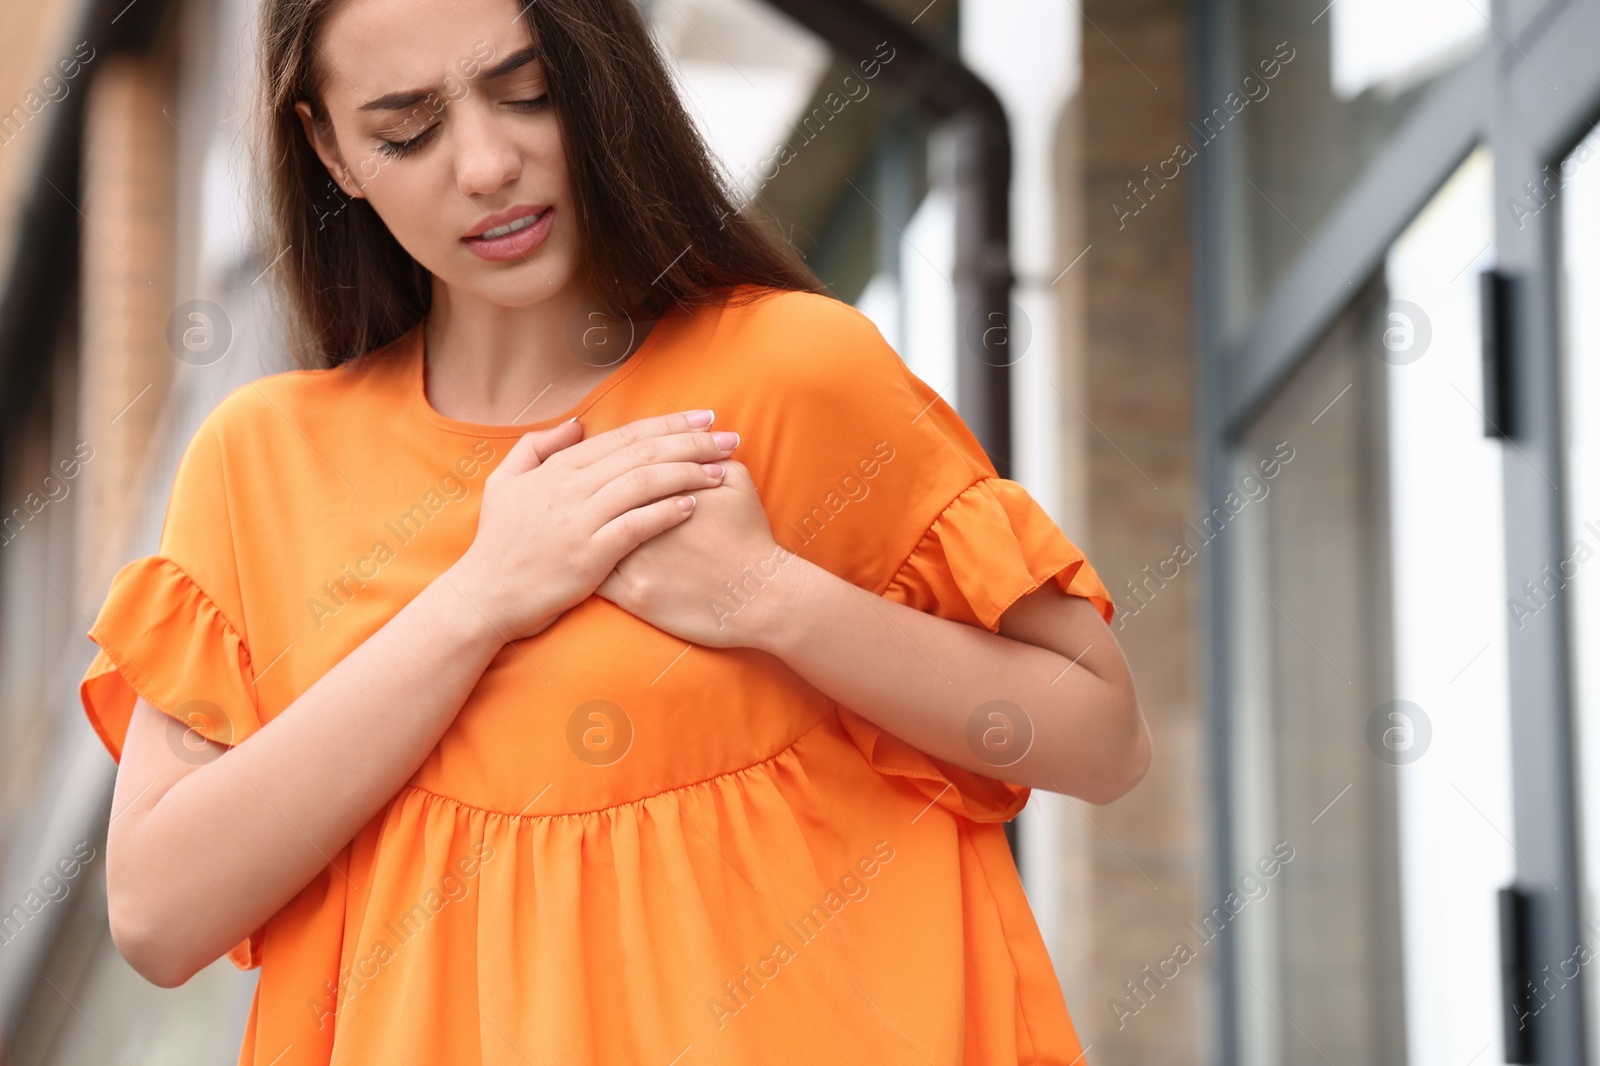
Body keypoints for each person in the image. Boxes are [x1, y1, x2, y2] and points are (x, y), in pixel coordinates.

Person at [78, 0, 1149, 1062]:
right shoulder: (263, 464)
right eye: (408, 130)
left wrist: (770, 596)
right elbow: (158, 916)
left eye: (526, 92)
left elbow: (1100, 736)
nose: (488, 163)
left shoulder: (791, 375)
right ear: (330, 149)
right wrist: (480, 596)